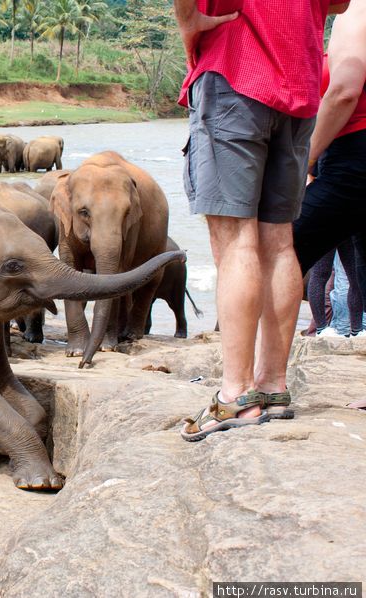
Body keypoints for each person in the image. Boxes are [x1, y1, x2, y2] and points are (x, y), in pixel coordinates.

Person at [175, 0, 350, 441]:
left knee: (236, 242)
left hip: (236, 70)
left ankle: (235, 394)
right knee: (278, 242)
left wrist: (188, 21)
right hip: (300, 81)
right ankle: (272, 387)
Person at [291, 0, 366, 408]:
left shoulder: (355, 14)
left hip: (353, 157)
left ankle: (260, 378)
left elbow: (343, 92)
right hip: (350, 157)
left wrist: (305, 159)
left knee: (284, 247)